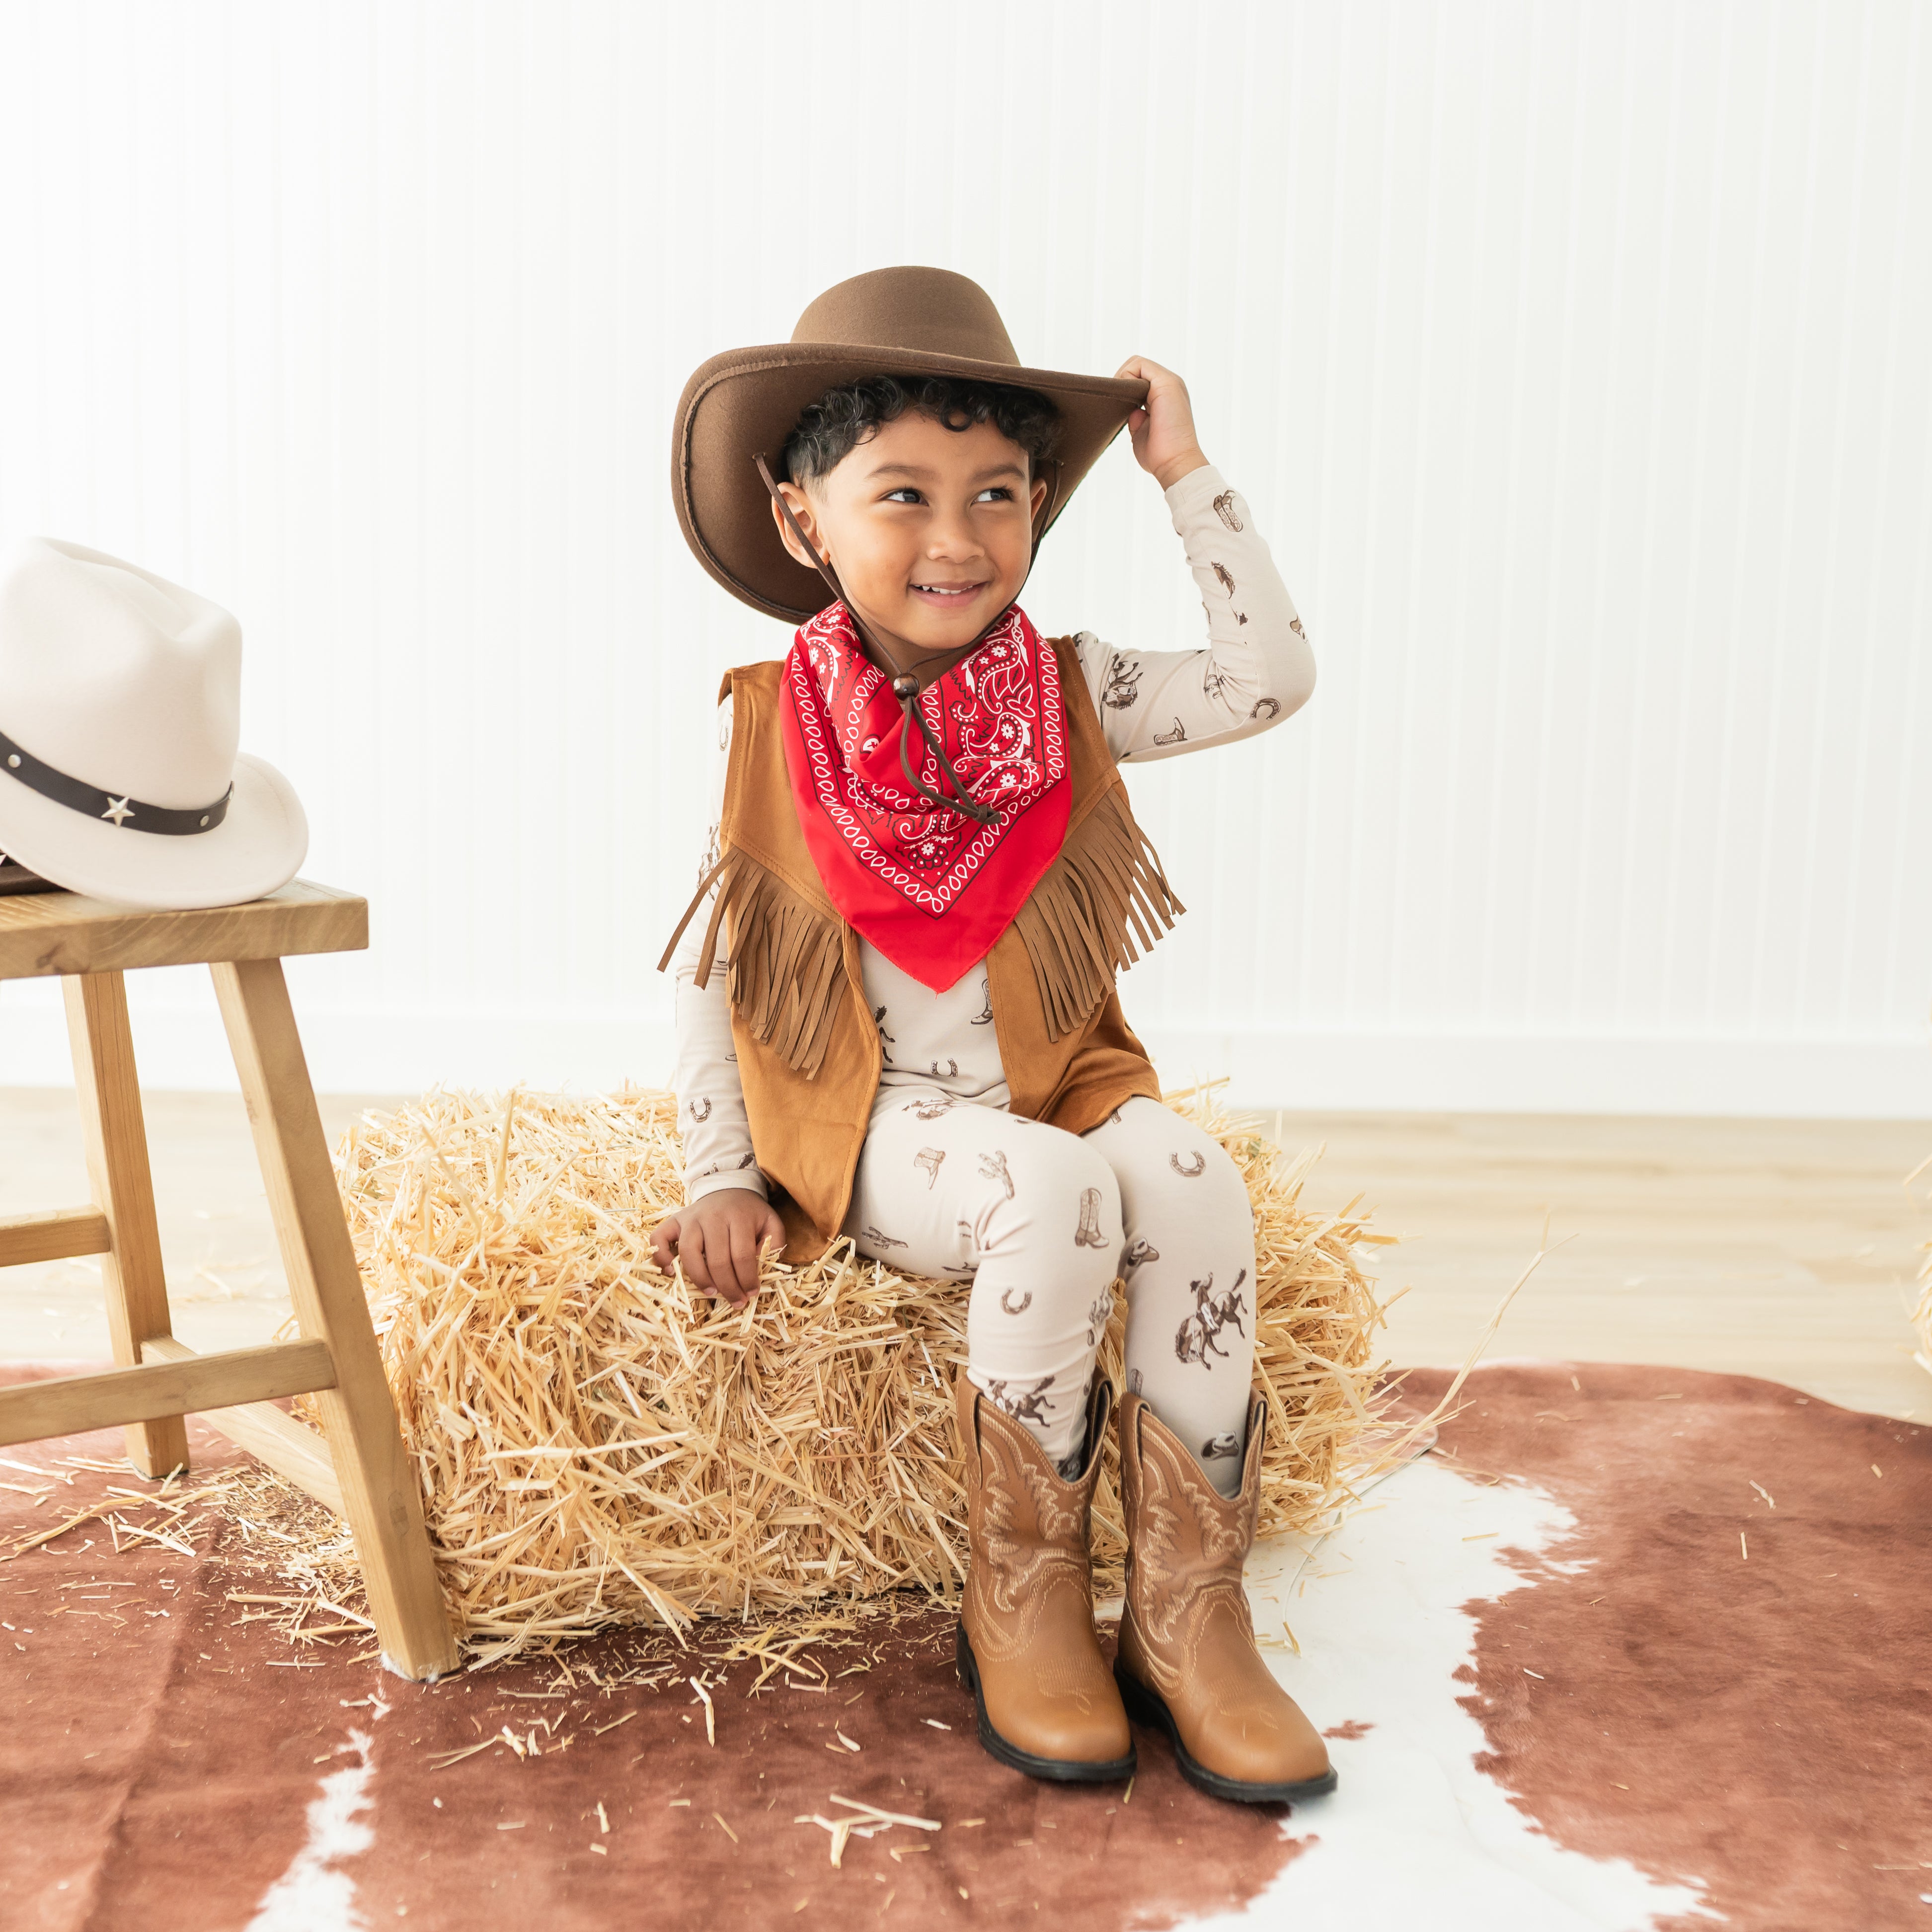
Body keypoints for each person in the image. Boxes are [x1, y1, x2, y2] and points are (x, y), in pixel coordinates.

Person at [652, 267, 1334, 1803]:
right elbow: (713, 968)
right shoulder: (767, 720)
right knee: (1048, 1190)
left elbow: (1265, 678)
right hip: (878, 1123)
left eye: (998, 495)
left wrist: (1187, 480)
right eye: (901, 494)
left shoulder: (1074, 691)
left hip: (1052, 1078)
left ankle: (1186, 1612)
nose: (956, 540)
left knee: (1188, 1177)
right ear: (800, 518)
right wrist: (720, 1172)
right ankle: (1020, 1598)